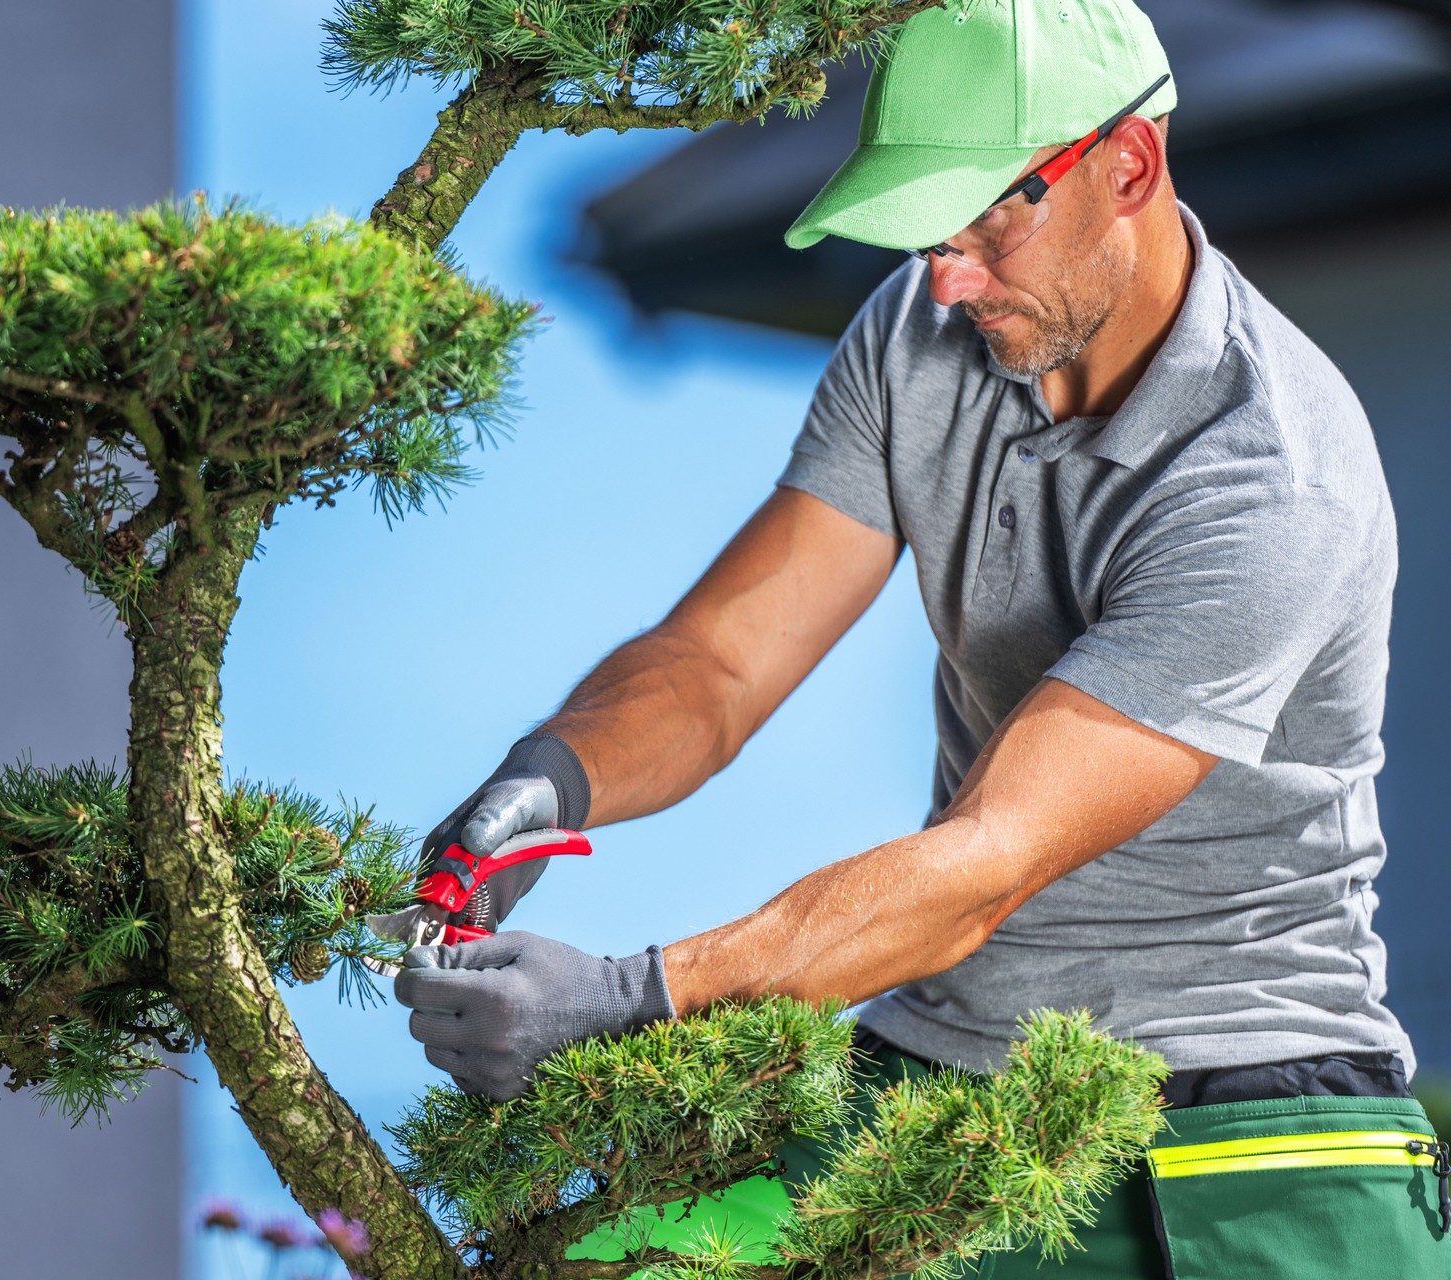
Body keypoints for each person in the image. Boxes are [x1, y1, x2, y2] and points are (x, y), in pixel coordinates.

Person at [392, 1, 1448, 1276]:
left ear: (1128, 167)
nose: (947, 272)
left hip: (1241, 1122)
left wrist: (628, 1000)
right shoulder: (923, 334)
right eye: (926, 226)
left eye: (987, 216)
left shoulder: (1272, 477)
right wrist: (545, 777)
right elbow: (720, 663)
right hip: (936, 1065)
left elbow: (986, 861)